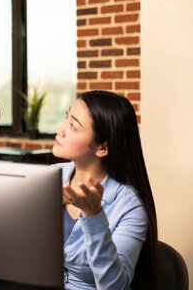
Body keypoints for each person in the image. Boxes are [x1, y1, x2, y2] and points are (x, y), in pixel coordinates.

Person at [53, 90, 158, 290]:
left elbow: (115, 287)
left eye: (73, 126)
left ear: (102, 148)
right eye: (66, 119)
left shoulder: (130, 206)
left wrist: (94, 216)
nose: (60, 130)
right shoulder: (51, 177)